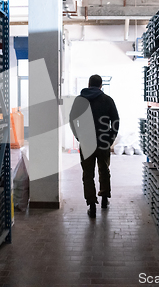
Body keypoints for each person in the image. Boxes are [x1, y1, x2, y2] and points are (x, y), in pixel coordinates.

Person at [69, 74, 120, 218]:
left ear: (89, 84)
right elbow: (116, 120)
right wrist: (111, 138)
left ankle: (91, 205)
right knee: (104, 170)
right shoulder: (107, 100)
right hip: (103, 142)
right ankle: (104, 199)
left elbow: (72, 120)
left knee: (88, 173)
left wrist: (78, 136)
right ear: (100, 85)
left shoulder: (80, 100)